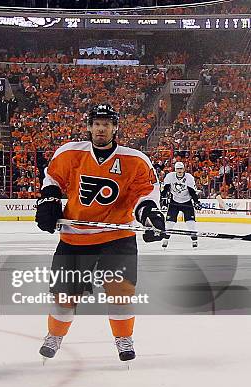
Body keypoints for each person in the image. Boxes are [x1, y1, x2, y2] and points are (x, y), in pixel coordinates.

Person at [35, 104, 165, 362]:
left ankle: (123, 338)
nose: (101, 128)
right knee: (63, 297)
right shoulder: (70, 152)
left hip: (117, 237)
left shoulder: (135, 159)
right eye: (97, 123)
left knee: (121, 292)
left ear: (115, 128)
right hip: (74, 237)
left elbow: (145, 193)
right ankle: (55, 336)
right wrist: (48, 200)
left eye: (106, 124)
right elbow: (52, 179)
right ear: (89, 126)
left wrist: (150, 214)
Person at [160, 161, 202, 249]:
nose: (179, 170)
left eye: (181, 169)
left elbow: (192, 191)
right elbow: (165, 190)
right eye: (178, 169)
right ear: (175, 170)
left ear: (184, 169)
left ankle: (194, 240)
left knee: (191, 224)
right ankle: (165, 240)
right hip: (174, 202)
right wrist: (163, 203)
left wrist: (196, 202)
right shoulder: (170, 176)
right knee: (169, 223)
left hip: (187, 202)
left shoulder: (189, 177)